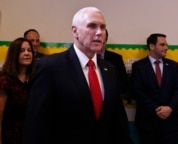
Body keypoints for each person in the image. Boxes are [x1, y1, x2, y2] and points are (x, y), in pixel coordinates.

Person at [23, 7, 133, 144]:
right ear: (75, 31)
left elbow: (118, 121)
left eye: (103, 27)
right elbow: (36, 125)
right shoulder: (50, 67)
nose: (99, 32)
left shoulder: (109, 69)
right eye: (92, 26)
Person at [131, 33, 178, 144]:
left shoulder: (173, 65)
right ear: (151, 46)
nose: (166, 48)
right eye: (162, 44)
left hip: (171, 122)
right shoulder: (138, 66)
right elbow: (137, 91)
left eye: (166, 45)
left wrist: (169, 108)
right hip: (147, 122)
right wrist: (157, 109)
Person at [0, 38, 35, 144]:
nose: (27, 53)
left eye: (29, 50)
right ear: (14, 54)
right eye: (22, 50)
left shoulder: (35, 78)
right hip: (10, 135)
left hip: (31, 135)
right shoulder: (5, 80)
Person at [97, 29, 129, 101]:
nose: (99, 45)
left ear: (105, 41)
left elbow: (123, 83)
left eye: (102, 42)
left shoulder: (116, 58)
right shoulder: (85, 58)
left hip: (112, 100)